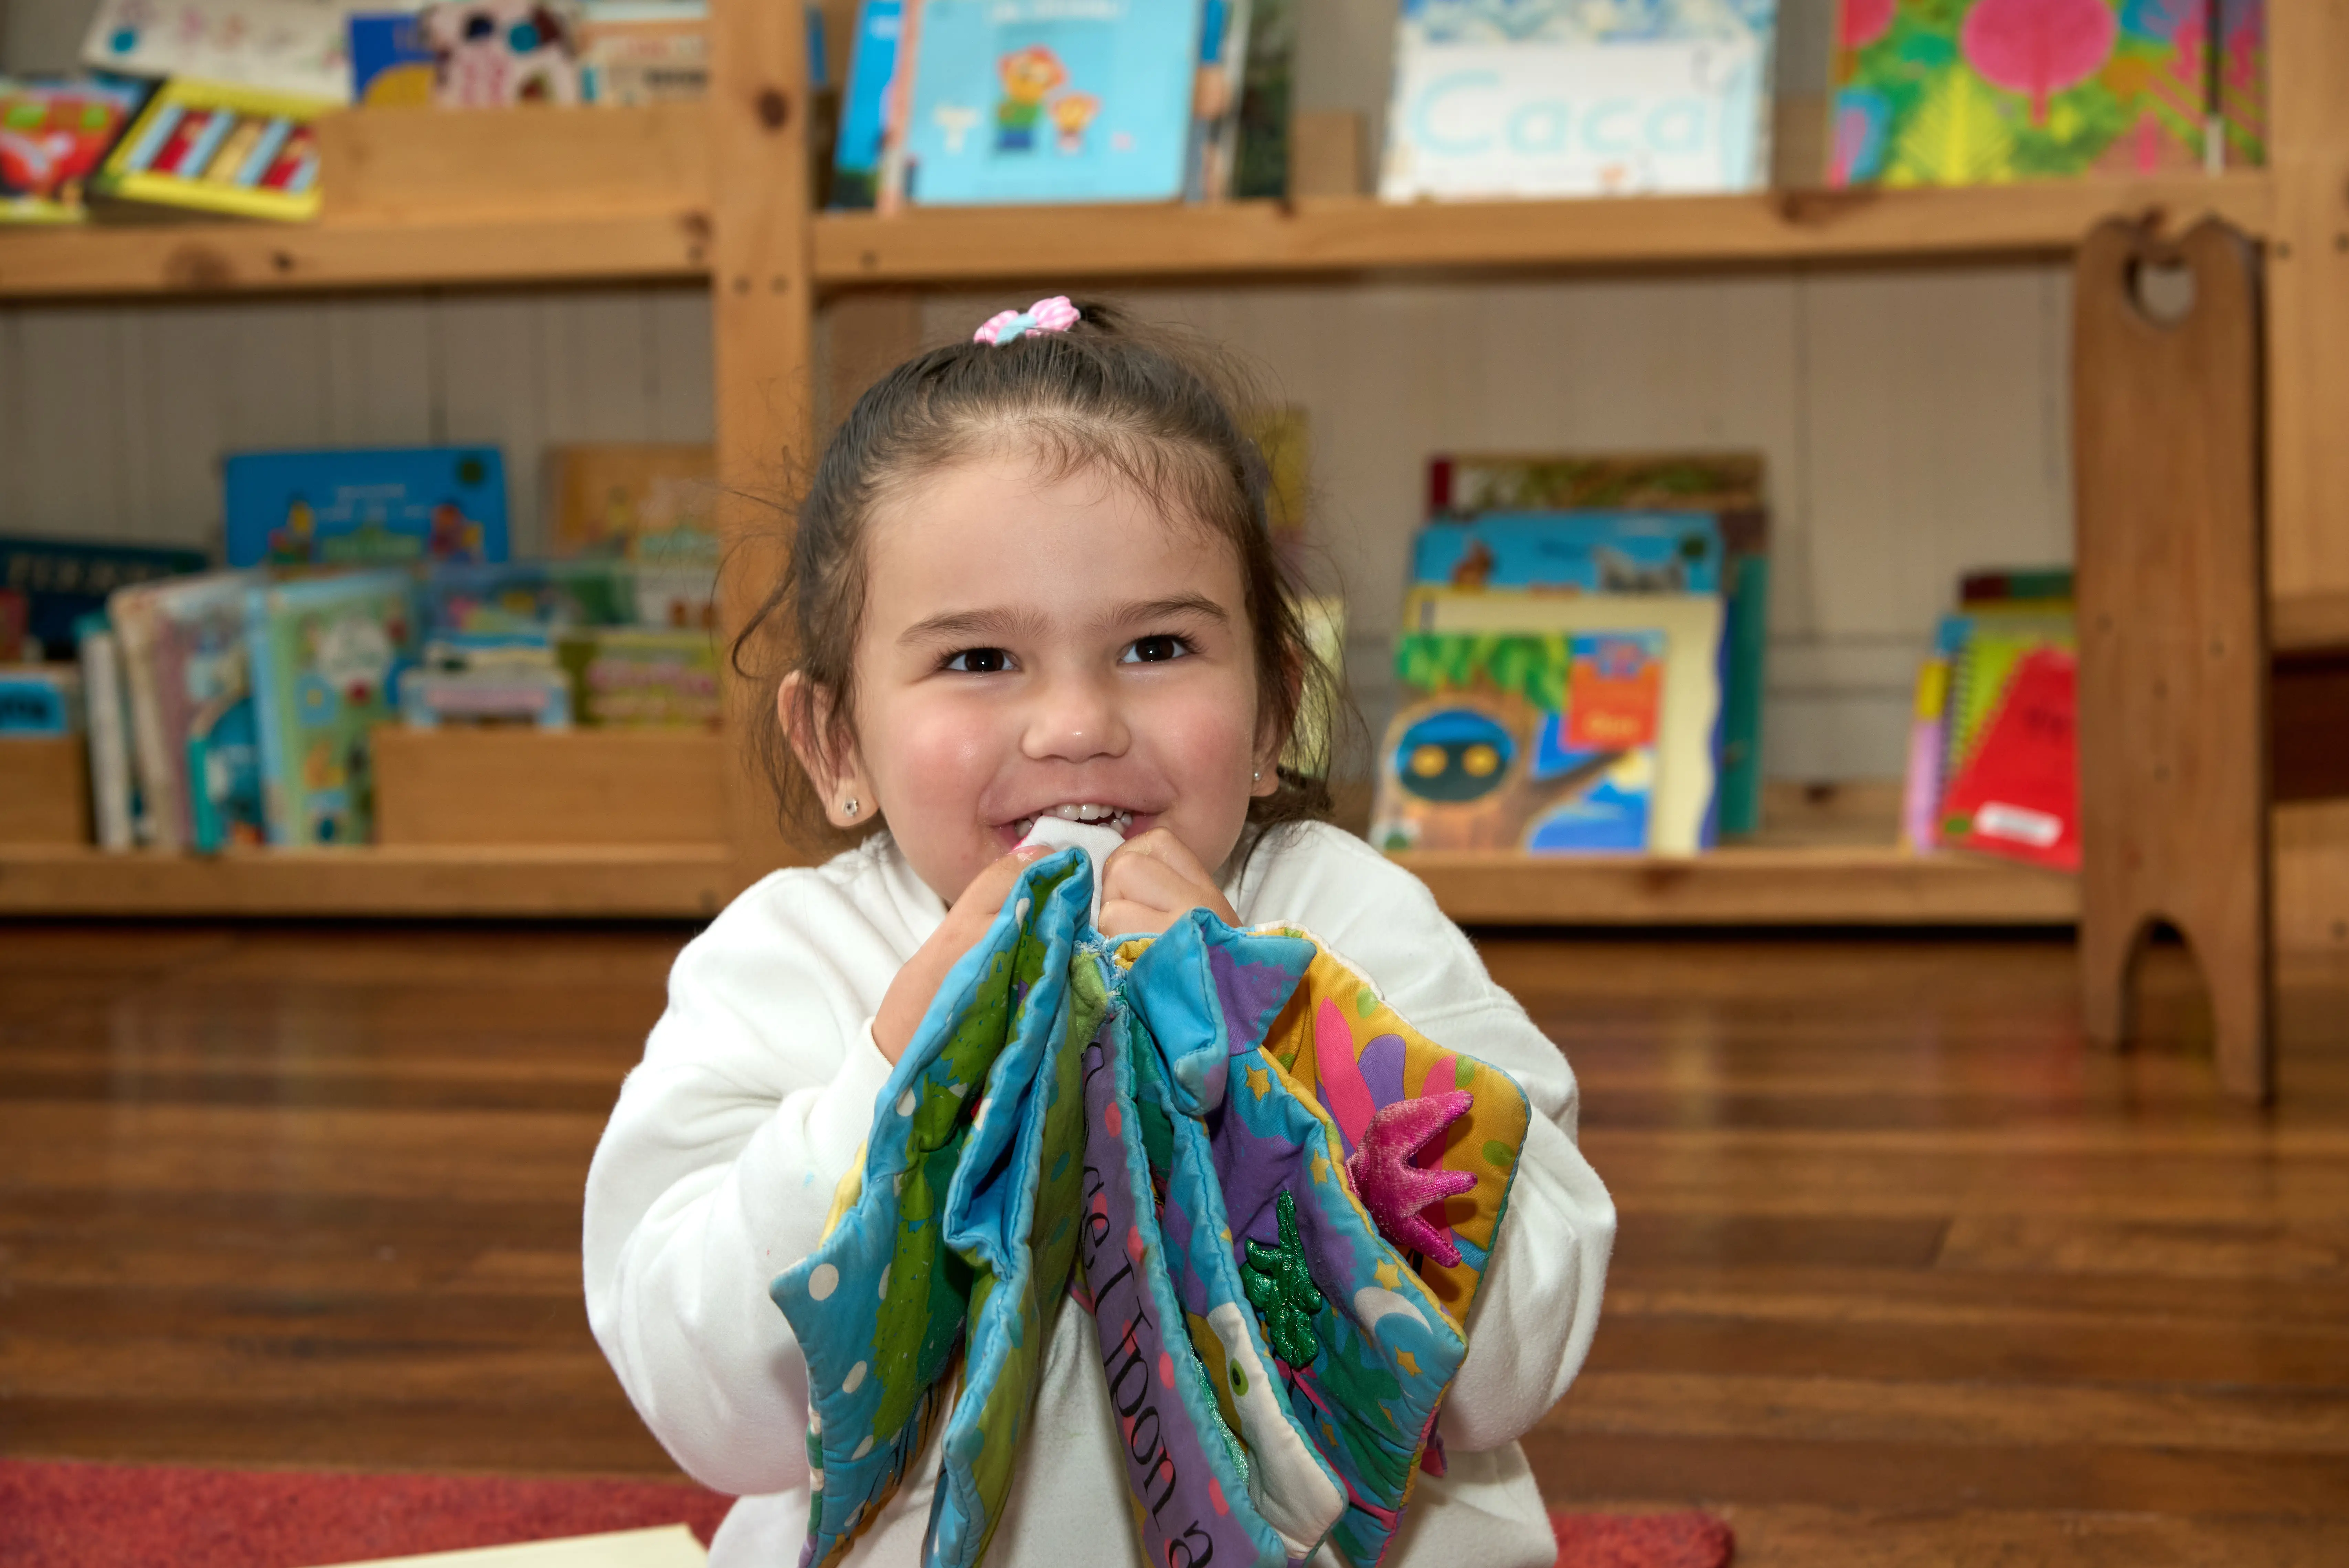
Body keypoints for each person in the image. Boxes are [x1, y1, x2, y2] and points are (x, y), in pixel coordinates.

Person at [583, 298, 1616, 1567]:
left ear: (1276, 703)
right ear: (837, 740)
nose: (1076, 725)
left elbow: (1514, 1356)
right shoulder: (789, 964)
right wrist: (886, 1087)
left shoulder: (1347, 922)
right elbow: (710, 1410)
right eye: (978, 660)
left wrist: (1279, 1042)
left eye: (1157, 645)